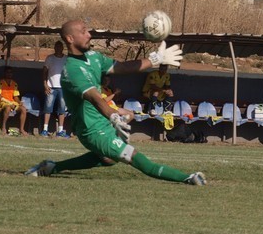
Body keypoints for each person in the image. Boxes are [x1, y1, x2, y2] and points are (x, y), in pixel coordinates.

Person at [25, 19, 207, 185]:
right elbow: (95, 98)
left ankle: (52, 167)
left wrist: (154, 59)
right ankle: (188, 178)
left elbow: (122, 67)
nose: (89, 35)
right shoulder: (72, 70)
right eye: (83, 32)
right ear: (70, 39)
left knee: (108, 159)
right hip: (91, 130)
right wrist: (114, 116)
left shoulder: (94, 57)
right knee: (132, 156)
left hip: (102, 121)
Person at [42, 40, 68, 137]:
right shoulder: (50, 58)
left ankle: (60, 131)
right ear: (54, 48)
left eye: (60, 46)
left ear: (62, 48)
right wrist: (45, 85)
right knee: (48, 108)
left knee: (62, 109)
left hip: (63, 88)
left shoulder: (66, 59)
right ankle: (45, 130)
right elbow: (44, 71)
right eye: (56, 46)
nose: (58, 48)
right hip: (51, 87)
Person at [0, 67, 28, 135]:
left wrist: (19, 102)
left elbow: (15, 97)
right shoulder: (0, 82)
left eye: (10, 72)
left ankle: (21, 129)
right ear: (5, 73)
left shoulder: (14, 84)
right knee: (8, 107)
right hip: (3, 102)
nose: (9, 74)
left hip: (12, 102)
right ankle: (3, 127)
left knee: (23, 109)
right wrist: (9, 103)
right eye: (7, 72)